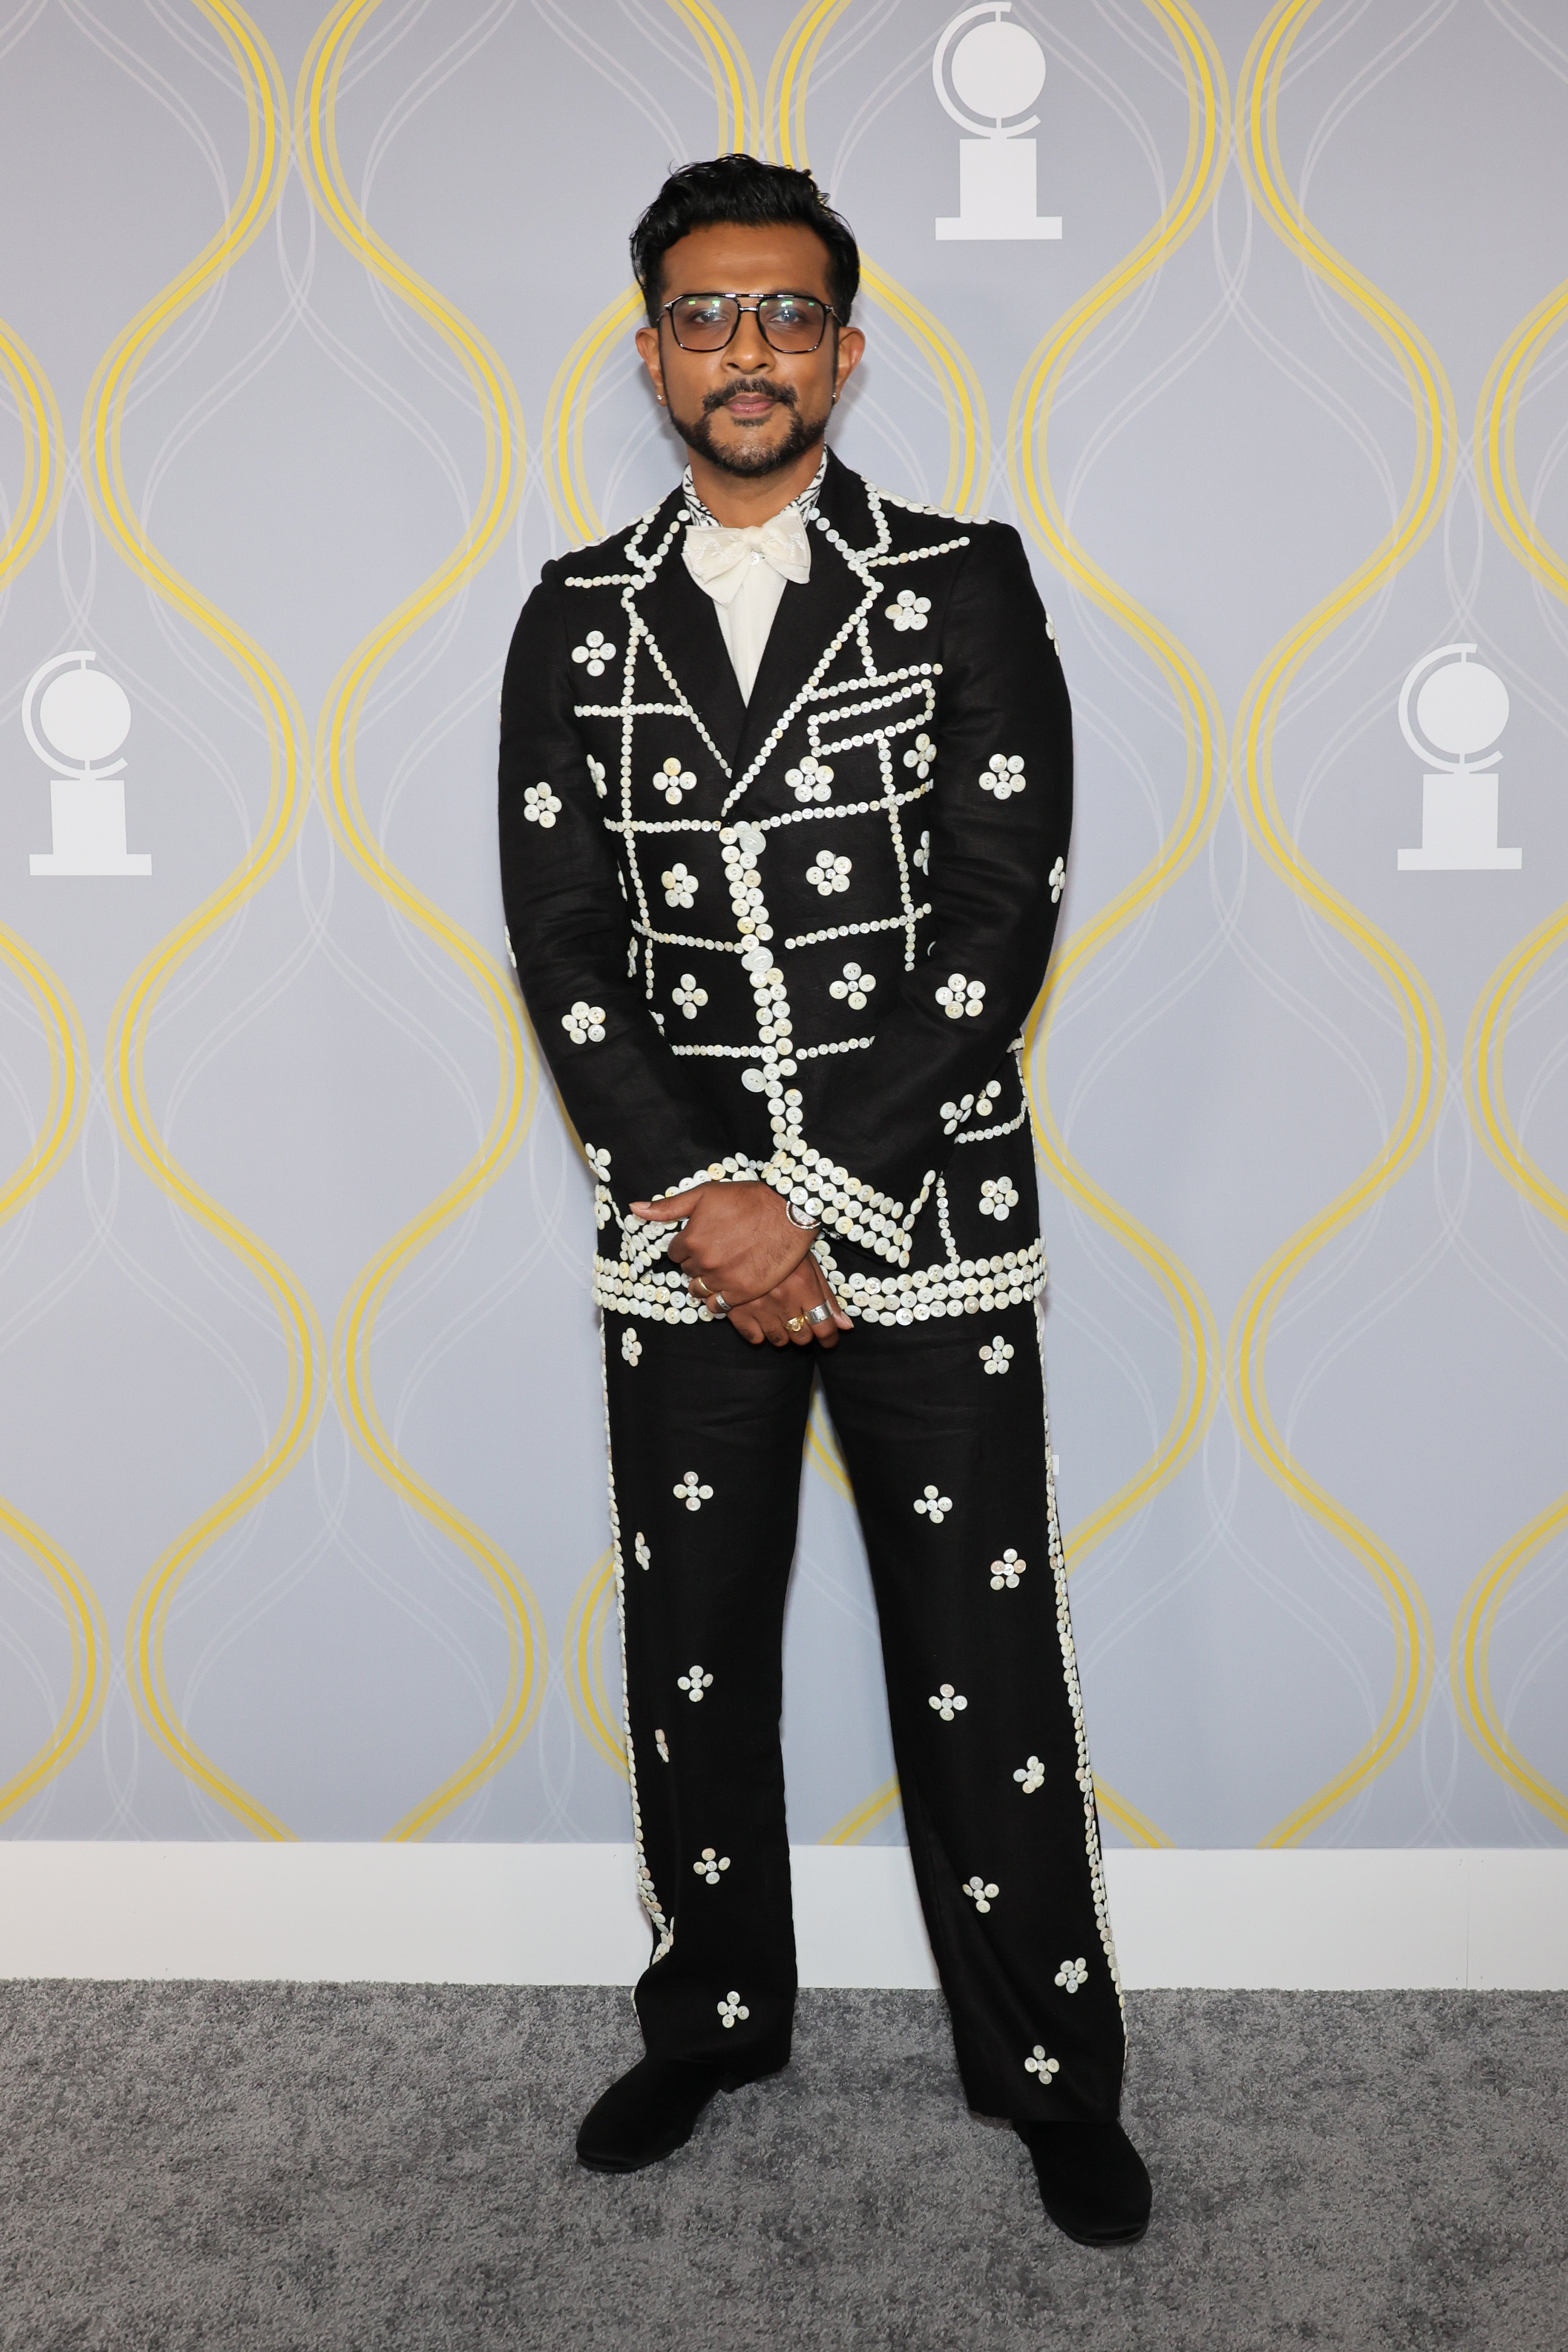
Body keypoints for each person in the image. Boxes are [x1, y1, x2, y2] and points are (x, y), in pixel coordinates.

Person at [498, 153, 1150, 2249]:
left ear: (845, 353)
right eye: (705, 315)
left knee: (981, 1652)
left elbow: (995, 916)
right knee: (695, 1650)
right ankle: (709, 2018)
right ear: (654, 354)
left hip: (928, 1213)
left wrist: (810, 1197)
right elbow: (564, 932)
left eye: (785, 315)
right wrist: (712, 1201)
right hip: (681, 1236)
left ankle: (1049, 2071)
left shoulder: (962, 582)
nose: (747, 351)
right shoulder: (574, 615)